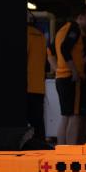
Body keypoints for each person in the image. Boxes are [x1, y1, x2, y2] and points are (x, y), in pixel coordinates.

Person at [53, 7, 86, 146]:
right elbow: (65, 48)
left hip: (62, 77)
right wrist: (74, 71)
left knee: (65, 116)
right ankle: (71, 153)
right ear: (80, 17)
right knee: (75, 116)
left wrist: (57, 69)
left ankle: (63, 152)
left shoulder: (61, 30)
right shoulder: (74, 28)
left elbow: (51, 50)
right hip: (71, 78)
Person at [26, 12, 49, 142]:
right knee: (38, 123)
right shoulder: (40, 36)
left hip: (26, 86)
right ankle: (40, 149)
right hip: (38, 87)